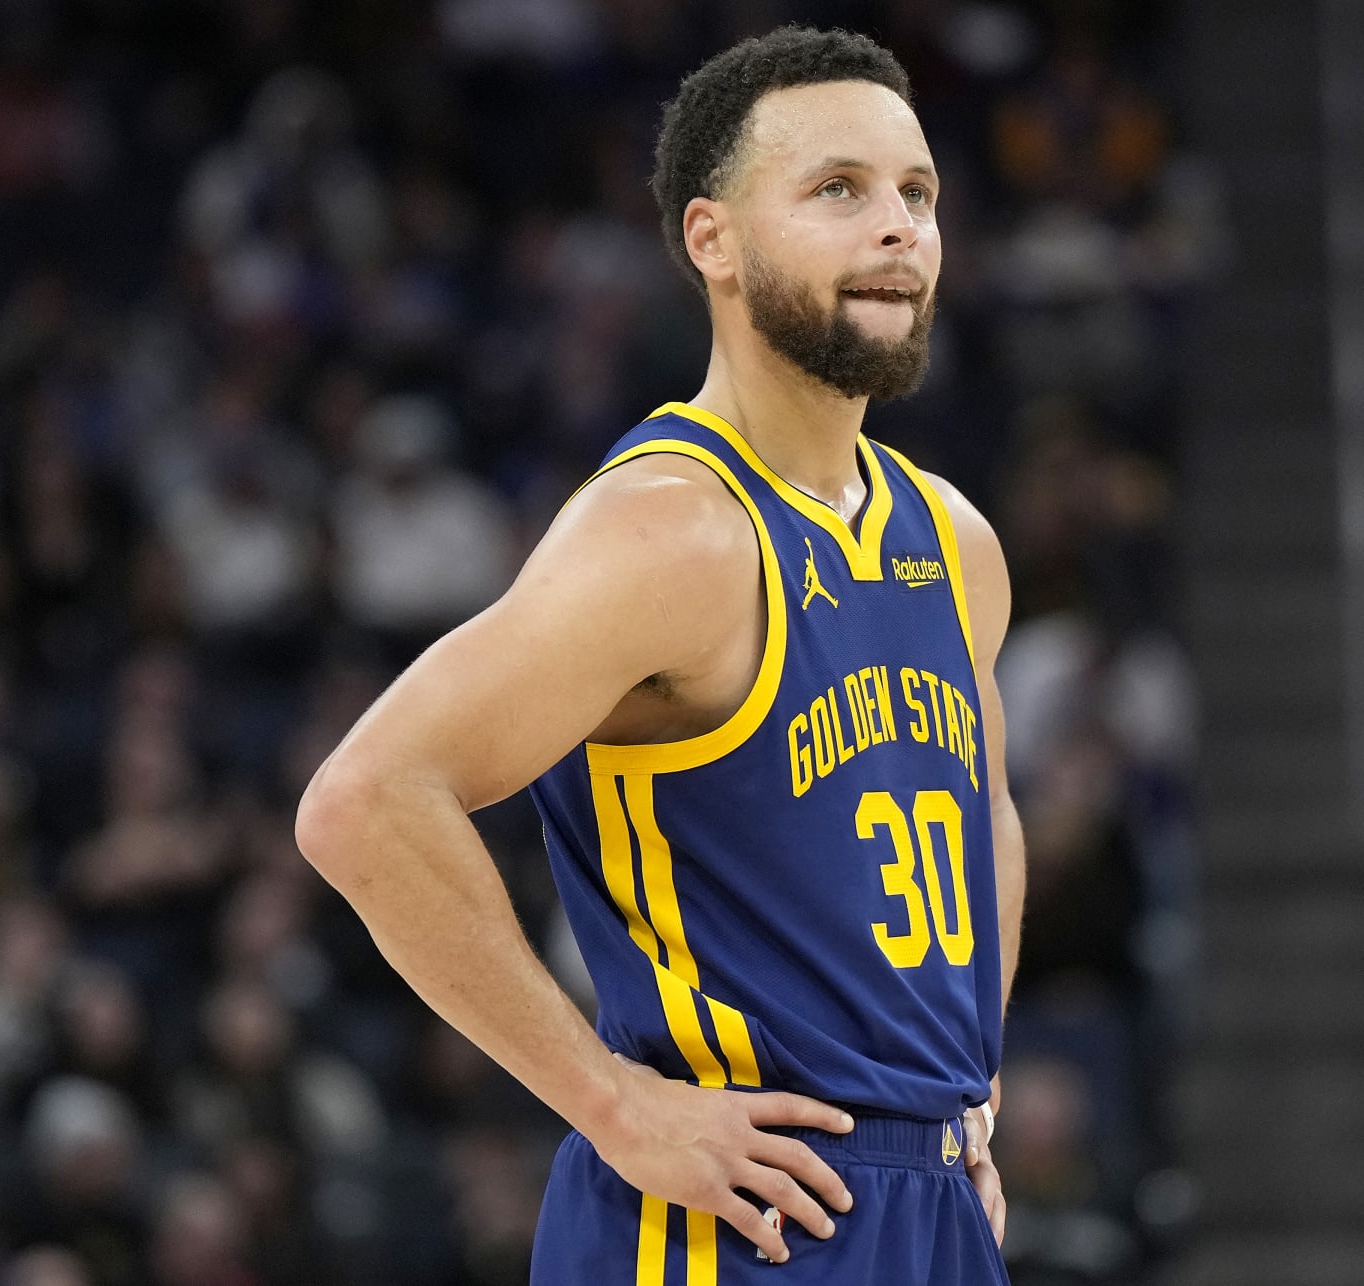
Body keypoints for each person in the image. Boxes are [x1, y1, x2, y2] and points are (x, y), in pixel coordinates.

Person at [295, 25, 1025, 1285]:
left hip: (929, 1201)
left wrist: (967, 1086)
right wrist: (613, 1102)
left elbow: (983, 819)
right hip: (725, 1215)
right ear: (713, 241)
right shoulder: (670, 531)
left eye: (918, 194)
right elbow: (363, 802)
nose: (899, 228)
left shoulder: (953, 540)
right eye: (838, 189)